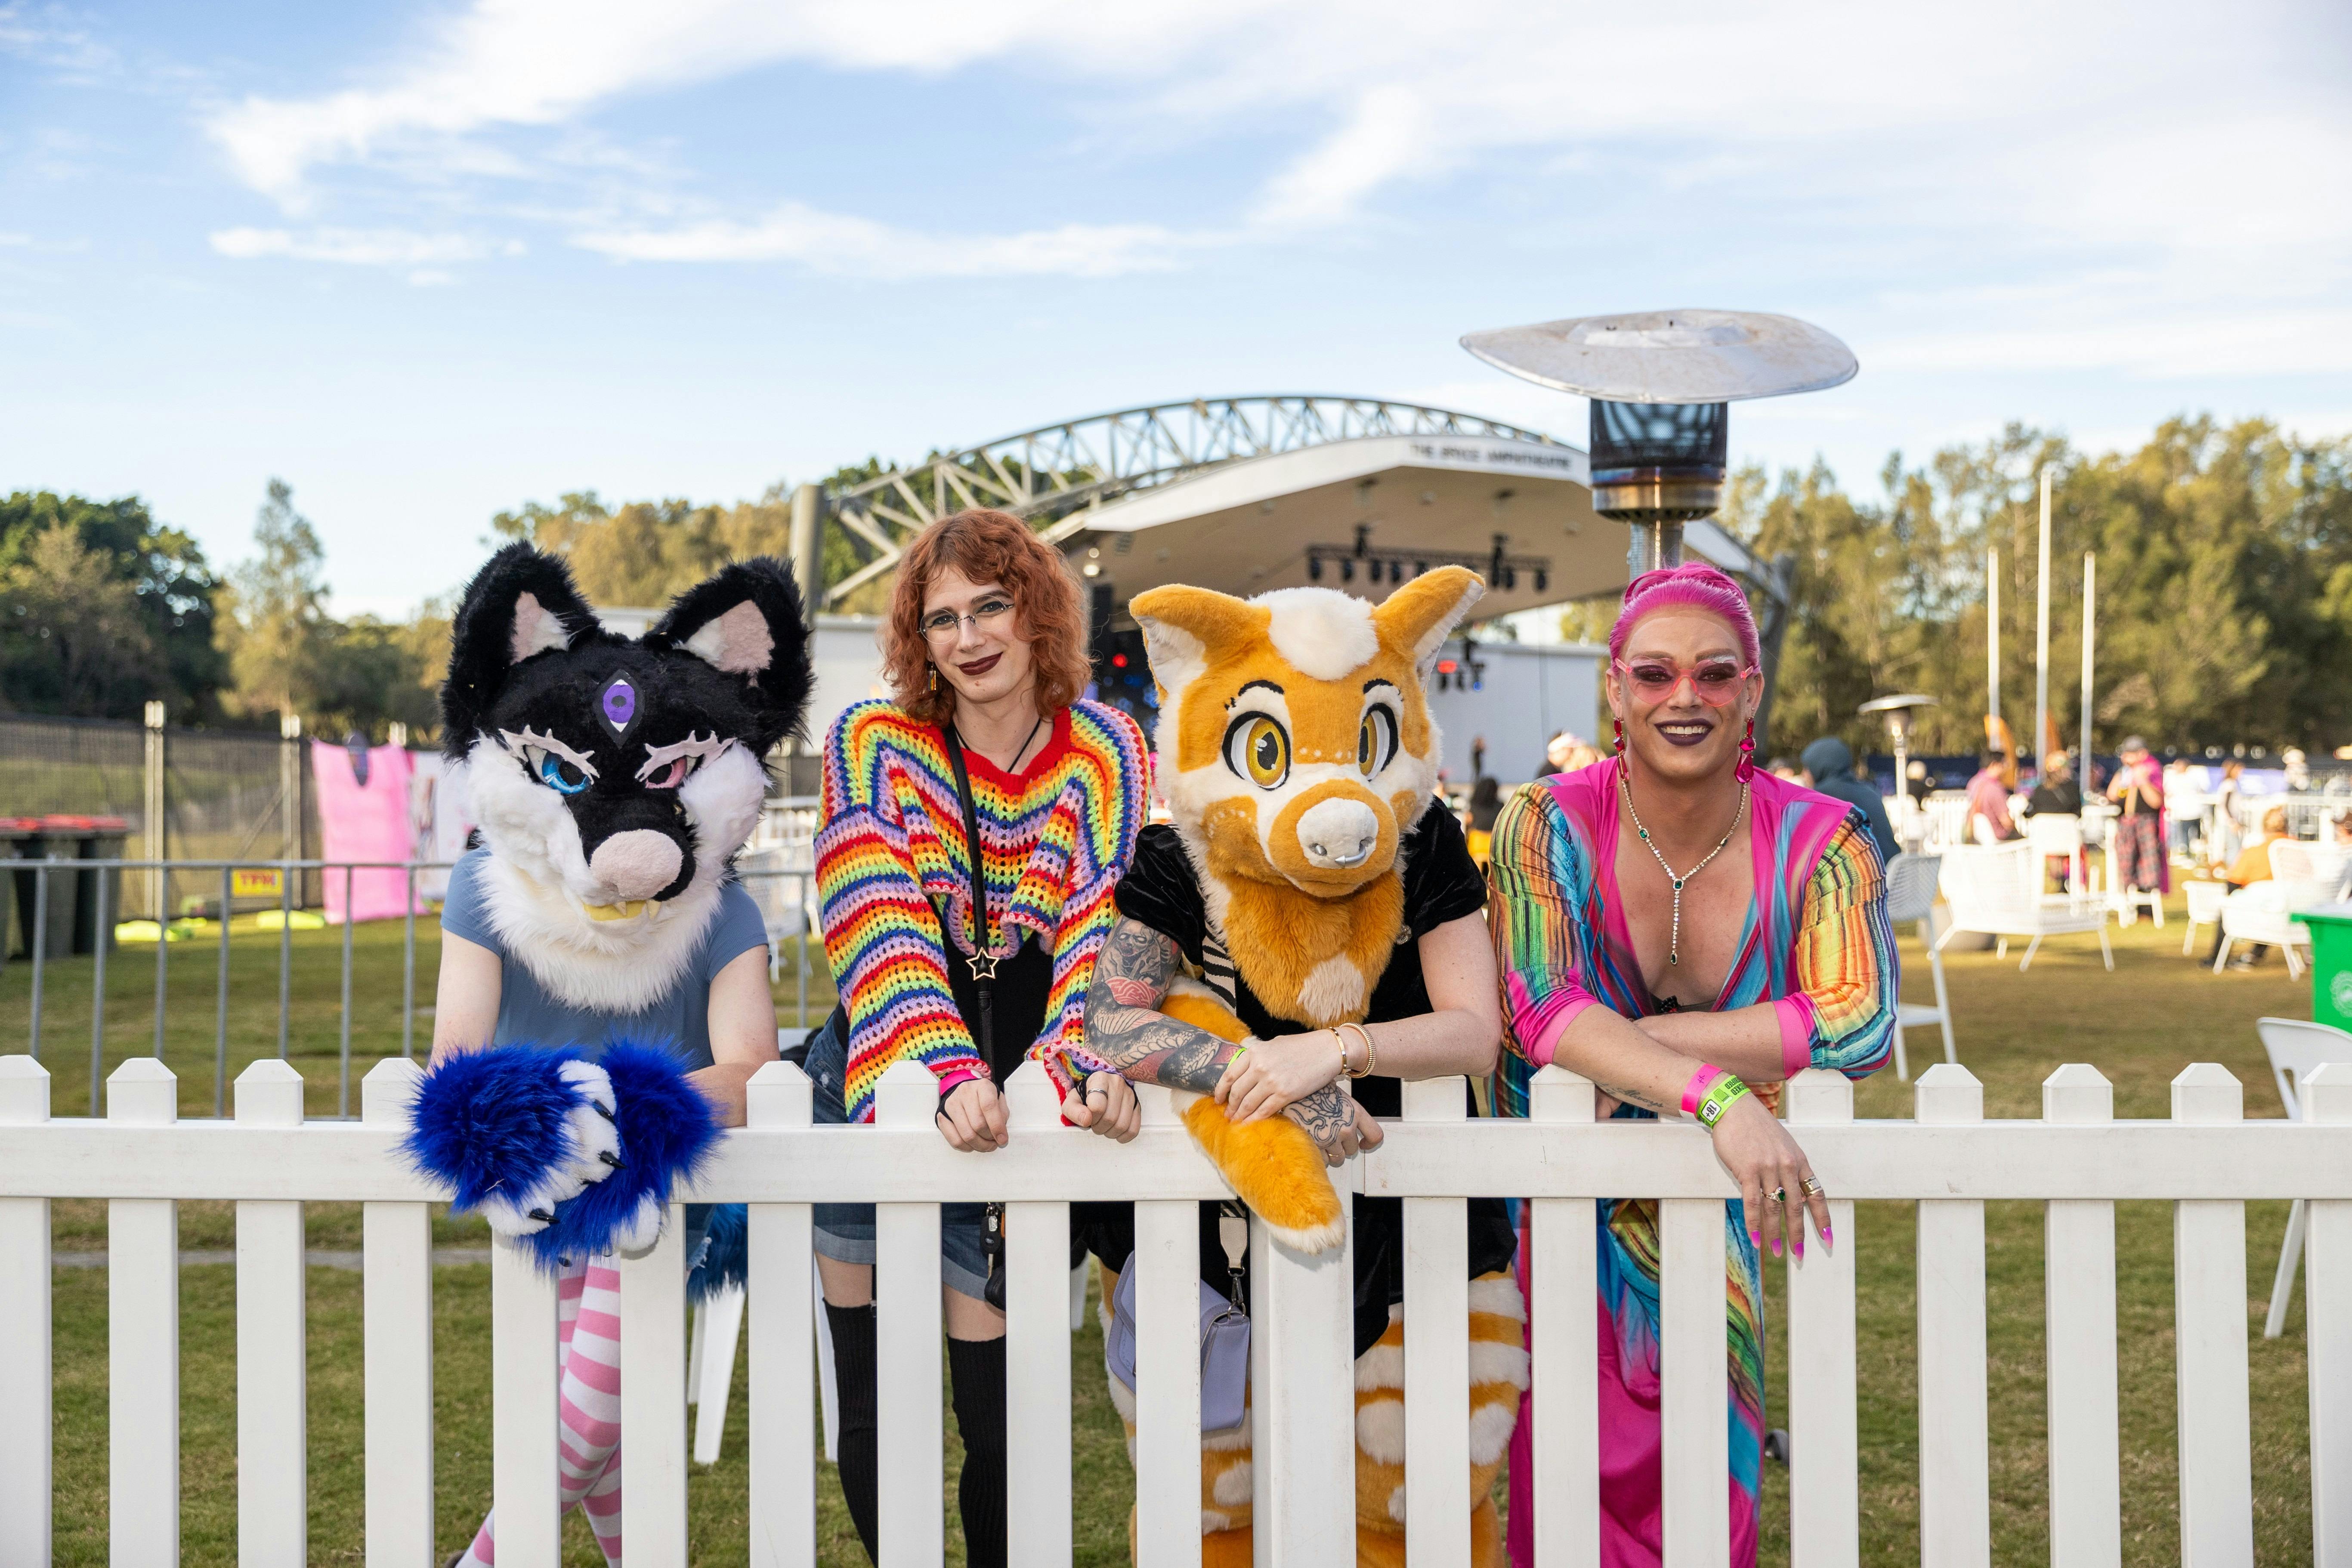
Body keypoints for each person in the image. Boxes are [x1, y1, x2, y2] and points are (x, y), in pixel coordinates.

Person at [1487, 563, 1897, 1568]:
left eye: (1714, 674)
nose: (1684, 698)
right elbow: (1538, 1004)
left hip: (1717, 1228)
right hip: (1554, 1212)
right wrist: (1721, 1095)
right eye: (1655, 673)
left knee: (1708, 1498)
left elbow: (1858, 1021)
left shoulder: (1824, 838)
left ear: (1750, 689)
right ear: (1616, 688)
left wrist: (1617, 1041)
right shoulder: (1540, 824)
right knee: (1562, 1486)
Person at [428, 544, 813, 1568]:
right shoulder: (484, 889)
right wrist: (549, 1119)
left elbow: (751, 1070)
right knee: (600, 1448)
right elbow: (453, 1054)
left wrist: (617, 1106)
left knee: (587, 1424)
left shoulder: (720, 908)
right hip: (536, 1194)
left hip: (663, 1197)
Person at [807, 508, 1150, 1567]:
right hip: (879, 1073)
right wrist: (940, 1067)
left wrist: (1058, 1074)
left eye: (988, 605)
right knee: (877, 1396)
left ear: (1035, 610)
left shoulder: (1105, 748)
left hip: (1017, 1097)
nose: (967, 636)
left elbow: (1110, 922)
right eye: (940, 616)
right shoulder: (870, 739)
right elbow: (871, 906)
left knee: (995, 1416)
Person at [1798, 735, 1898, 862]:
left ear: (1819, 766)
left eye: (1807, 768)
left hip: (1858, 877)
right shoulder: (1870, 791)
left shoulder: (1821, 797)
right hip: (1891, 875)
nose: (1803, 774)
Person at [2106, 736, 2170, 904]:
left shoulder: (2153, 770)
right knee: (2127, 862)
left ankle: (2146, 905)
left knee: (2147, 863)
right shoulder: (2124, 773)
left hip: (2146, 822)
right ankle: (2128, 899)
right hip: (2126, 822)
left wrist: (2142, 780)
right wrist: (2122, 776)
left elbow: (2156, 801)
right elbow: (2112, 795)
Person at [1963, 752, 2018, 843]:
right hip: (1999, 838)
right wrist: (2015, 827)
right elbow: (2005, 821)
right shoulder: (1995, 788)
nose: (2006, 768)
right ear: (1995, 764)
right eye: (2004, 764)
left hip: (1979, 836)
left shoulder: (1973, 782)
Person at [2212, 759, 2249, 870]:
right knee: (2234, 847)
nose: (2240, 773)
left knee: (2232, 847)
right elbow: (2225, 805)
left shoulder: (2228, 784)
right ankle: (2233, 871)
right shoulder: (2230, 785)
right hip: (2229, 822)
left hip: (2227, 821)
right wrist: (2232, 822)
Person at [2024, 750, 2083, 817]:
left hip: (2043, 827)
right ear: (2063, 770)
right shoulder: (2073, 789)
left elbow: (2030, 814)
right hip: (2066, 827)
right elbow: (2078, 814)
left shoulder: (2039, 790)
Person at [1465, 773, 1504, 866]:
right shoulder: (1500, 806)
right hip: (1493, 845)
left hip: (1476, 844)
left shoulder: (1474, 804)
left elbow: (1468, 821)